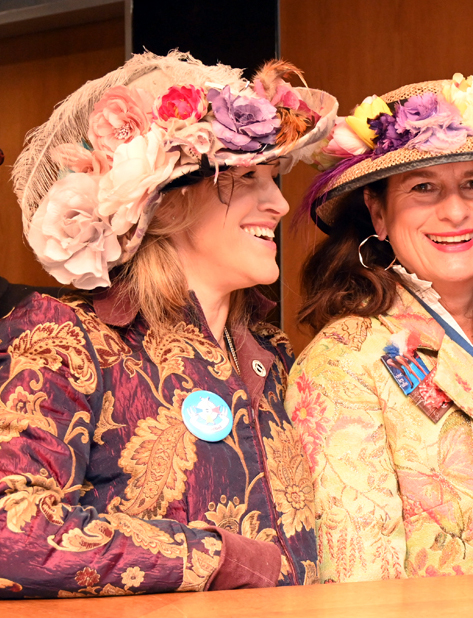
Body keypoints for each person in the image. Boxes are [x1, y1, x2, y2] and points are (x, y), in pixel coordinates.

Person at [0, 51, 337, 598]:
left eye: (274, 179)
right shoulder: (68, 338)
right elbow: (13, 530)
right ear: (164, 203)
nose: (278, 203)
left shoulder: (272, 351)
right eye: (247, 178)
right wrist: (217, 558)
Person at [285, 74, 473, 581]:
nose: (456, 210)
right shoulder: (341, 362)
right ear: (378, 213)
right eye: (423, 187)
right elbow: (358, 586)